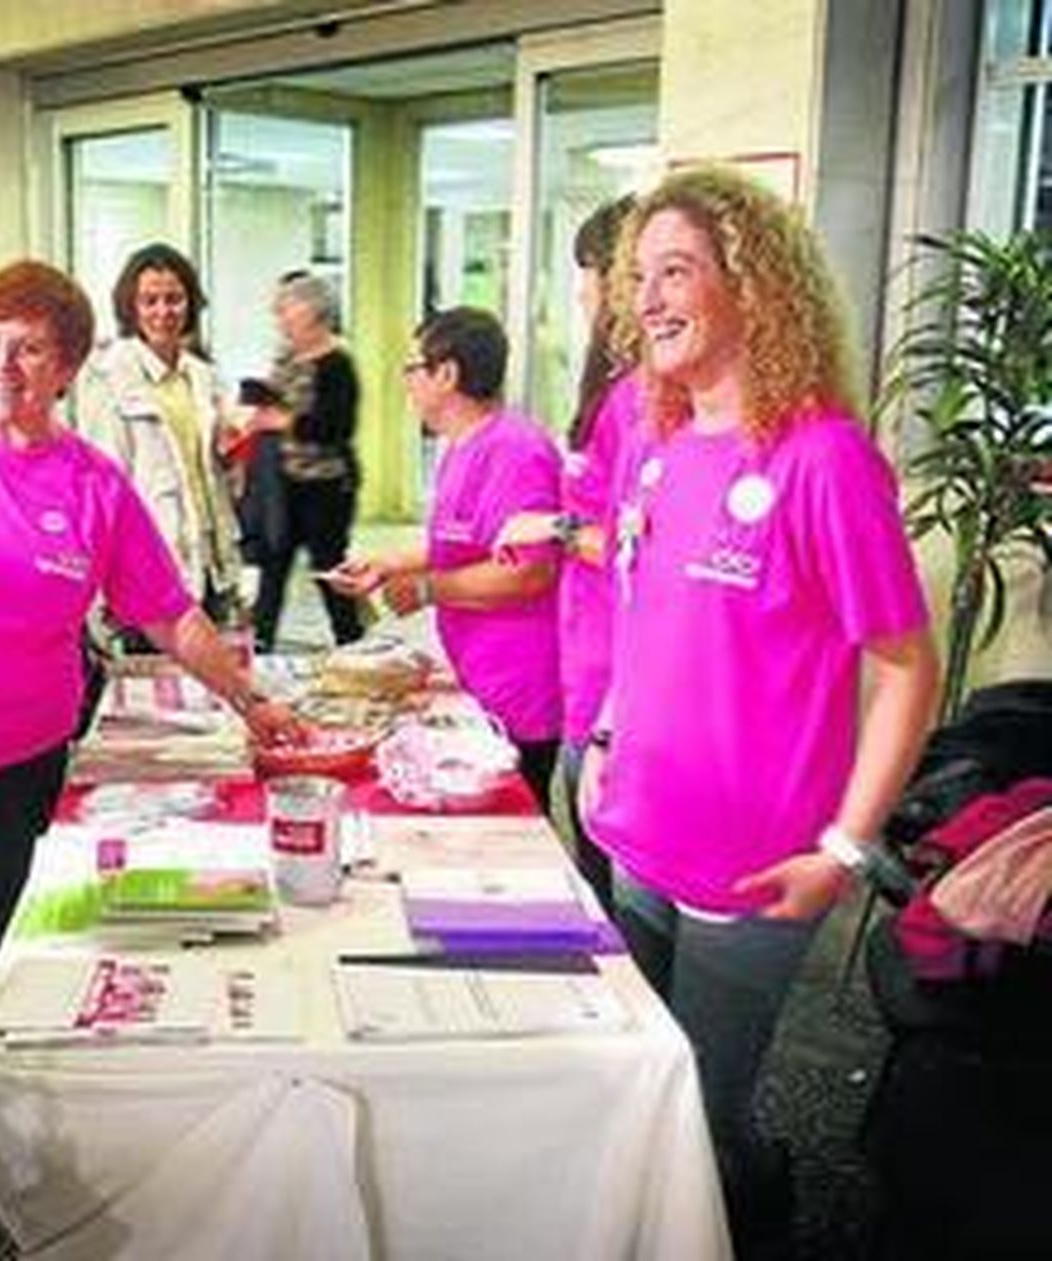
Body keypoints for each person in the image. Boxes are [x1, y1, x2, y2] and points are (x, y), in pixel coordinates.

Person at [0, 259, 304, 1170]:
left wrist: (251, 698)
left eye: (28, 348)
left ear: (69, 365)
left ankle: (3, 1101)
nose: (2, 364)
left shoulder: (91, 483)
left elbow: (169, 613)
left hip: (16, 755)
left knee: (7, 934)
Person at [579, 166, 939, 1255]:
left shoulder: (824, 459)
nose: (645, 298)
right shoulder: (653, 444)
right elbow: (646, 626)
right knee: (640, 1096)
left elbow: (906, 667)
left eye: (675, 269)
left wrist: (843, 845)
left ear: (754, 285)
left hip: (754, 869)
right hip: (631, 837)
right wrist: (600, 734)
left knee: (703, 1114)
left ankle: (763, 1219)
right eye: (638, 276)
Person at [330, 307, 562, 809]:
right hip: (475, 671)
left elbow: (529, 571)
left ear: (448, 373)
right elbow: (461, 543)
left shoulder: (516, 451)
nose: (407, 382)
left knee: (510, 828)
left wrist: (427, 590)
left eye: (413, 367)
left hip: (517, 686)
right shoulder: (459, 447)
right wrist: (389, 566)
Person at [494, 195, 637, 904]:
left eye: (588, 272)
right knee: (594, 878)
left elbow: (652, 545)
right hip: (586, 670)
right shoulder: (612, 392)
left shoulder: (642, 396)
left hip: (619, 684)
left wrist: (553, 530)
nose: (580, 293)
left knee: (609, 902)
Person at [78, 242, 241, 629]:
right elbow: (106, 482)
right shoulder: (110, 377)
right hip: (150, 561)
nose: (163, 312)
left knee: (212, 678)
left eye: (174, 299)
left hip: (211, 556)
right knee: (153, 683)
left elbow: (214, 467)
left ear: (191, 304)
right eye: (149, 301)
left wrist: (234, 447)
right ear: (130, 307)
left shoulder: (203, 375)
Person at [244, 270, 365, 652]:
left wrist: (285, 421)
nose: (280, 316)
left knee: (328, 568)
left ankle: (352, 643)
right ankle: (260, 646)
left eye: (288, 309)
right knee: (273, 568)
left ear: (313, 312)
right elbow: (273, 403)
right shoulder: (286, 356)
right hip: (282, 482)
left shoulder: (336, 363)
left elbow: (337, 427)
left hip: (325, 486)